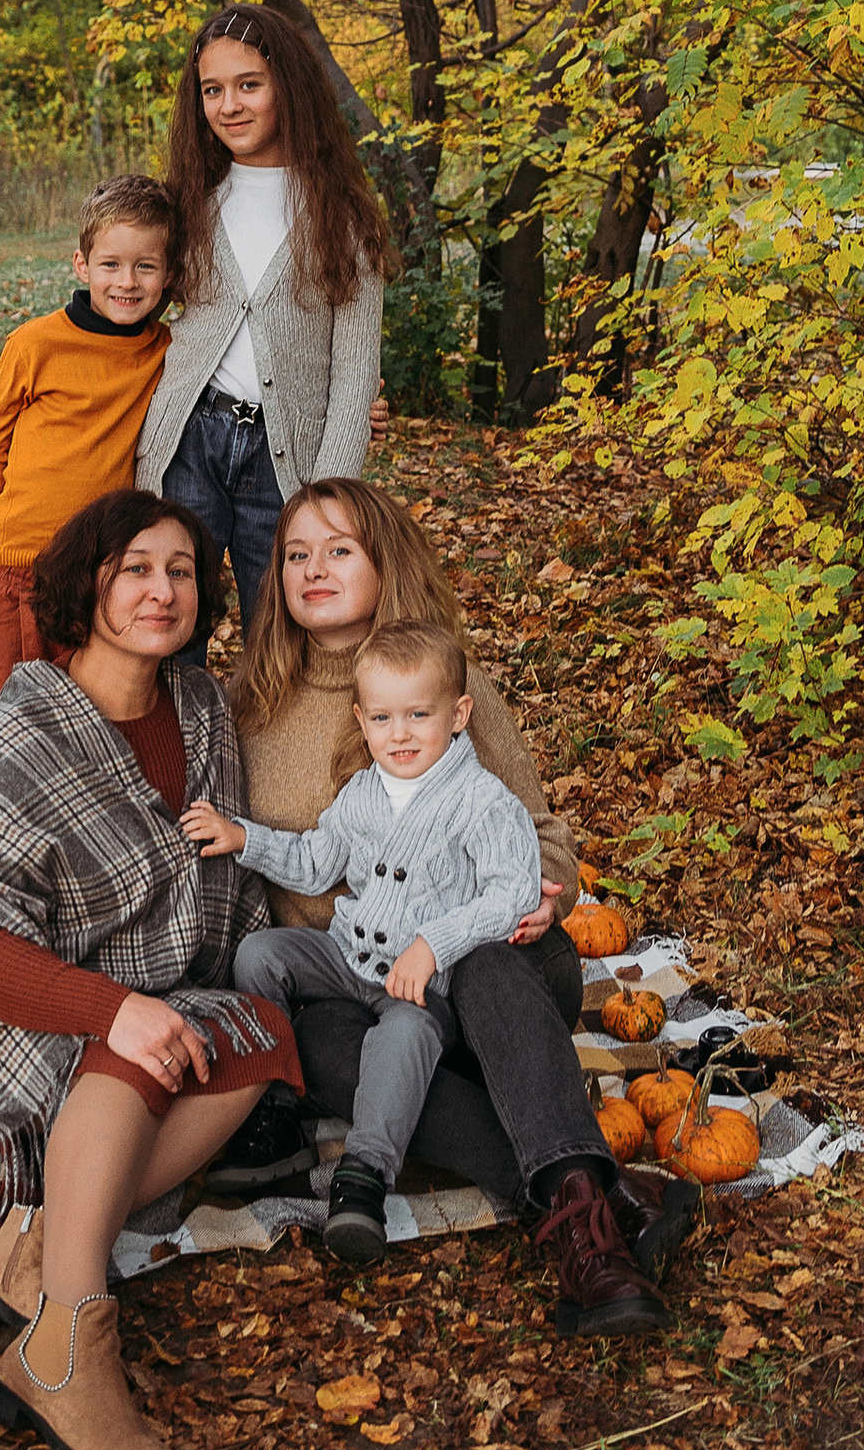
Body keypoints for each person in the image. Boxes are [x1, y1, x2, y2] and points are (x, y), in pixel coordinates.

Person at [0, 490, 302, 1450]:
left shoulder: (202, 713)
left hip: (119, 994)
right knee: (138, 1050)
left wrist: (156, 1002)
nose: (162, 589)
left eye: (182, 570)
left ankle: (29, 1240)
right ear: (87, 585)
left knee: (259, 1030)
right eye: (136, 568)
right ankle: (65, 1339)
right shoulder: (22, 723)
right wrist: (118, 1012)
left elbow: (214, 897)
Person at [207, 478, 690, 1335]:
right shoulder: (252, 701)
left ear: (383, 560)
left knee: (489, 961)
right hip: (356, 984)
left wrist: (544, 897)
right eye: (295, 554)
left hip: (488, 966)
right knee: (321, 1054)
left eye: (339, 550)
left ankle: (589, 1238)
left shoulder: (456, 682)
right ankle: (600, 1208)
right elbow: (275, 859)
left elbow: (539, 835)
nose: (314, 569)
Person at [183, 615, 542, 1269]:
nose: (398, 734)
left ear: (458, 714)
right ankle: (274, 1102)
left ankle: (364, 1177)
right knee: (262, 955)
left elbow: (512, 893)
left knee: (401, 1037)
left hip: (422, 983)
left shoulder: (482, 803)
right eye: (381, 719)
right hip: (347, 955)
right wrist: (246, 839)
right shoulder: (364, 794)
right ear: (361, 717)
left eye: (417, 716)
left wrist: (434, 944)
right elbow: (319, 861)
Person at [137, 3, 389, 633]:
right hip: (187, 445)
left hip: (287, 463)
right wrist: (15, 414)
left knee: (279, 630)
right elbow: (117, 319)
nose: (230, 106)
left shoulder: (341, 215)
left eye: (249, 85)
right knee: (168, 624)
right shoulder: (189, 203)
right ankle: (174, 735)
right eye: (212, 90)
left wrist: (327, 501)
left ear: (288, 88)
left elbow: (356, 374)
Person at [0, 175, 175, 708]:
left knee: (95, 719)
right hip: (16, 567)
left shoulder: (167, 350)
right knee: (14, 725)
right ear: (81, 264)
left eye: (146, 266)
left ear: (169, 275)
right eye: (110, 265)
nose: (127, 281)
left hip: (102, 575)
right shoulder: (33, 345)